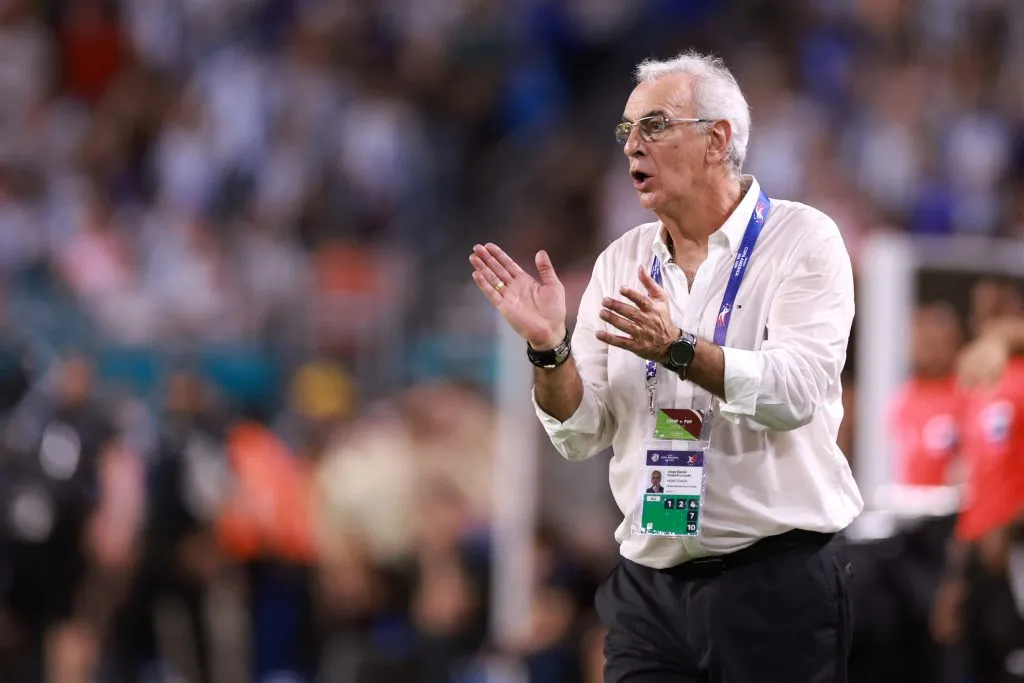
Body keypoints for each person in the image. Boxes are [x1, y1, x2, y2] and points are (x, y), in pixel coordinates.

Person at [469, 50, 862, 683]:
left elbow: (796, 393)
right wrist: (550, 349)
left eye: (654, 126)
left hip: (775, 584)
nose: (631, 148)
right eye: (625, 131)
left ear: (718, 139)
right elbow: (581, 431)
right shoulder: (619, 262)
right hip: (650, 592)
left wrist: (677, 348)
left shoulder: (802, 240)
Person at [931, 279, 1024, 683]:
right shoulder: (978, 387)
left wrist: (1013, 525)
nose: (987, 321)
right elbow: (973, 483)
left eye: (997, 309)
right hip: (980, 555)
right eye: (981, 311)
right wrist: (955, 577)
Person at [888, 303, 964, 487]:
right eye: (920, 340)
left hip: (952, 507)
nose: (924, 348)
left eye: (932, 341)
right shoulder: (902, 398)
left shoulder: (966, 393)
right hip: (910, 504)